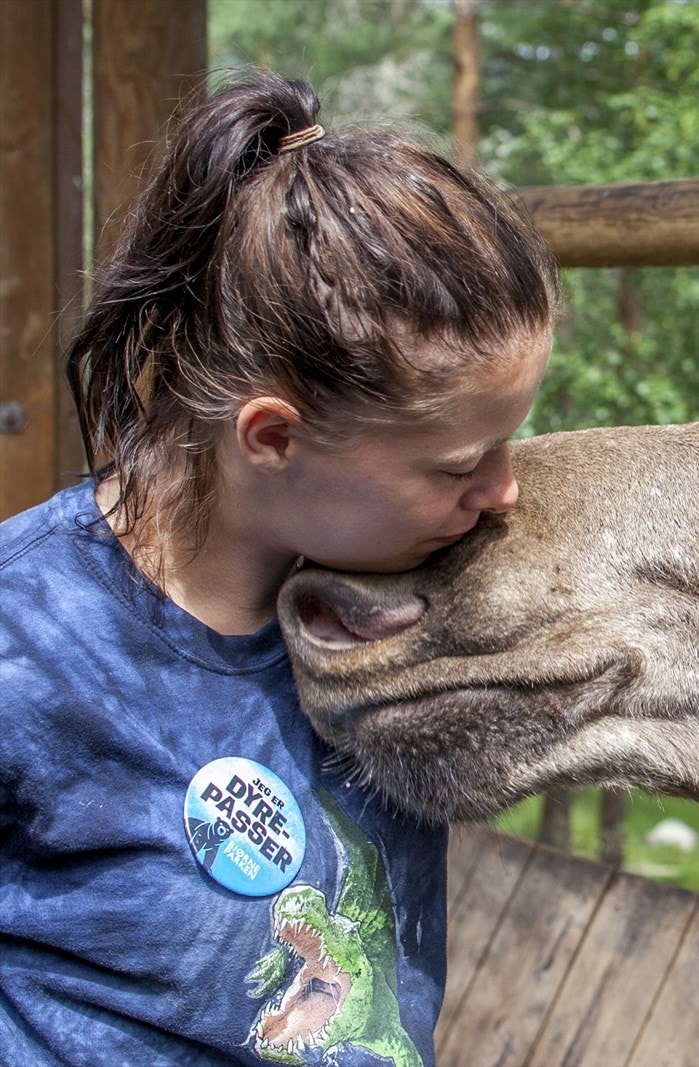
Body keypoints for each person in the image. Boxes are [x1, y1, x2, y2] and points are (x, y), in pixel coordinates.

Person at [0, 71, 559, 1065]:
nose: (503, 492)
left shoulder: (404, 580)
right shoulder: (29, 645)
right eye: (462, 463)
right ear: (272, 436)